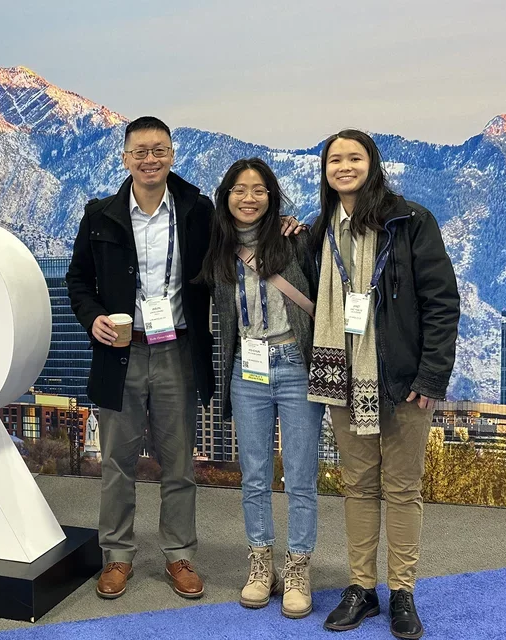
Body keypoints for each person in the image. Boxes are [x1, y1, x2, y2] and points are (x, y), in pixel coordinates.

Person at [308, 130, 460, 639]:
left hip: (402, 380)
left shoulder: (410, 220)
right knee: (358, 485)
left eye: (355, 157)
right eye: (335, 159)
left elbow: (442, 302)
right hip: (341, 375)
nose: (344, 166)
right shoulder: (319, 230)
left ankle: (402, 591)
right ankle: (361, 587)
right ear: (325, 170)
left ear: (372, 165)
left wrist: (431, 374)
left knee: (401, 487)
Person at [66, 116, 215, 599]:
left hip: (177, 350)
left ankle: (179, 554)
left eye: (159, 150)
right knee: (117, 461)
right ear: (124, 157)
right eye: (140, 151)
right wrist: (92, 319)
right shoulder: (101, 215)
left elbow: (233, 253)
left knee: (178, 464)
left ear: (173, 154)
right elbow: (77, 281)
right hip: (119, 352)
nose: (150, 159)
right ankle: (117, 556)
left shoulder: (196, 209)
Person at [196, 158, 324, 619]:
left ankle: (298, 568)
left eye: (258, 190)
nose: (248, 198)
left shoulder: (297, 239)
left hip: (295, 364)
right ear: (225, 196)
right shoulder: (219, 250)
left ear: (272, 197)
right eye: (238, 189)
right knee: (253, 475)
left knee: (301, 476)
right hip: (245, 368)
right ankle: (260, 564)